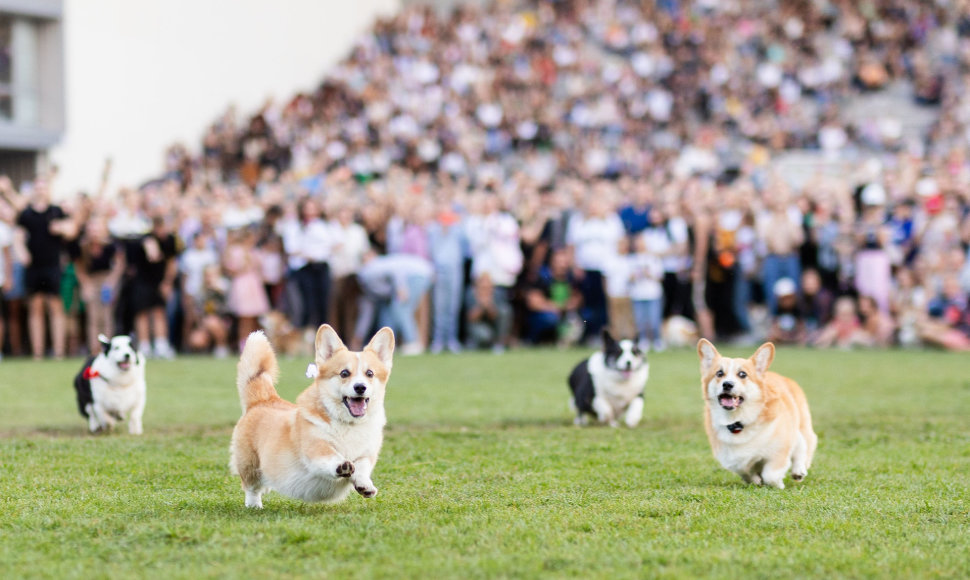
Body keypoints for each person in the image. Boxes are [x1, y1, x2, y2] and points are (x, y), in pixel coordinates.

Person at [13, 179, 75, 359]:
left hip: (53, 265)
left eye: (43, 187)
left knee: (56, 307)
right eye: (37, 188)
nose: (40, 191)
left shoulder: (56, 211)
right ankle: (38, 353)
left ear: (48, 190)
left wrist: (61, 228)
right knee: (35, 307)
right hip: (33, 267)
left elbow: (71, 230)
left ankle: (58, 351)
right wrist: (22, 252)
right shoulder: (26, 214)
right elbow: (17, 237)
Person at [353, 251, 433, 355]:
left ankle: (412, 343)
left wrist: (401, 287)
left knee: (400, 308)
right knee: (389, 311)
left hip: (416, 275)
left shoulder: (369, 269)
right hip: (422, 272)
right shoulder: (377, 265)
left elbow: (395, 270)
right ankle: (387, 345)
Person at [71, 217, 124, 355]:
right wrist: (86, 284)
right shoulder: (83, 247)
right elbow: (79, 268)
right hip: (91, 280)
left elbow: (119, 265)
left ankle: (107, 348)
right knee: (93, 316)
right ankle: (94, 349)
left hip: (107, 279)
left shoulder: (111, 245)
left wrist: (111, 283)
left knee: (106, 315)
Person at [126, 216, 178, 359]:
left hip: (159, 282)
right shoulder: (145, 239)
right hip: (142, 281)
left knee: (159, 312)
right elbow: (150, 255)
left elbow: (171, 263)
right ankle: (144, 346)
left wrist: (167, 283)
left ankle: (161, 345)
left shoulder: (170, 240)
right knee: (142, 313)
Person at [224, 227, 270, 351]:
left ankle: (255, 344)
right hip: (242, 285)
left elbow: (262, 269)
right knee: (244, 318)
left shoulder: (255, 252)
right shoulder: (236, 251)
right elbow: (231, 268)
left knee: (254, 318)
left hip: (253, 285)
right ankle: (242, 344)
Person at [524, 248, 583, 346]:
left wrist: (571, 304)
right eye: (559, 262)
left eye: (565, 262)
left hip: (565, 314)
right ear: (552, 262)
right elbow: (533, 302)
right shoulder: (542, 277)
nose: (563, 265)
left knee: (584, 318)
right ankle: (536, 340)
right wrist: (558, 307)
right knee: (550, 319)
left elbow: (578, 298)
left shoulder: (570, 278)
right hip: (544, 316)